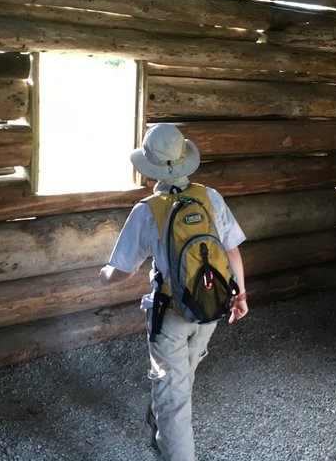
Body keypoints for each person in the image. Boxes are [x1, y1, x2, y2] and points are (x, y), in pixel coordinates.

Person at [99, 123, 249, 461]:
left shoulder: (147, 211)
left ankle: (167, 428)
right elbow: (232, 251)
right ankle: (158, 413)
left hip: (170, 315)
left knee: (175, 397)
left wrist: (104, 276)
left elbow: (122, 270)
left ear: (150, 167)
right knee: (183, 375)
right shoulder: (210, 197)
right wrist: (239, 296)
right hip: (210, 306)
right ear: (184, 159)